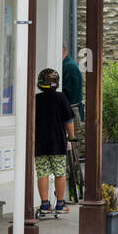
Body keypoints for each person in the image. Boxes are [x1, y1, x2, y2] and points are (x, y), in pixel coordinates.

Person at [34, 67, 76, 216]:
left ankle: (45, 204)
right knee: (59, 173)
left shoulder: (35, 99)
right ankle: (60, 203)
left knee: (42, 173)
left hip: (39, 143)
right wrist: (71, 137)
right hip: (58, 143)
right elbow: (69, 120)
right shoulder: (61, 98)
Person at [62, 44, 85, 123]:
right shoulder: (67, 65)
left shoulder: (69, 67)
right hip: (69, 113)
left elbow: (70, 94)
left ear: (62, 51)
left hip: (71, 114)